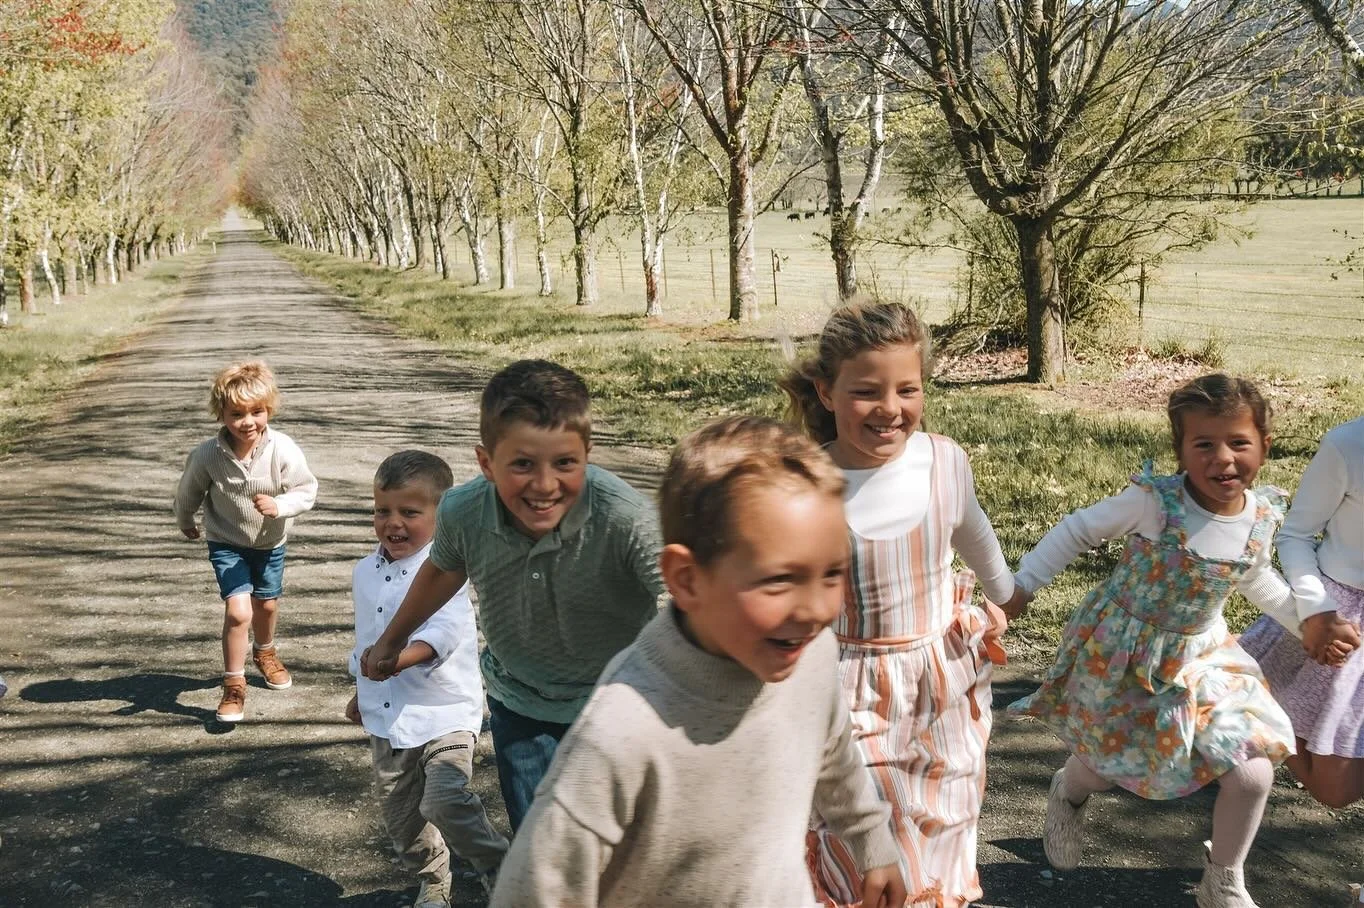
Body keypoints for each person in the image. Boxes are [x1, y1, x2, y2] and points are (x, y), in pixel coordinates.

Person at [490, 416, 907, 907]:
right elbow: (534, 890)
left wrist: (872, 843)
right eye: (778, 580)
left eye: (832, 573)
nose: (815, 608)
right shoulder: (621, 733)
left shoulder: (809, 652)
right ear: (687, 580)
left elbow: (831, 749)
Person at [1008, 373, 1300, 908]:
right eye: (1204, 444)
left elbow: (1255, 579)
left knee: (1254, 767)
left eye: (1239, 442)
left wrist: (1310, 624)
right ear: (1180, 450)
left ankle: (1223, 878)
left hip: (1202, 658)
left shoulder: (1260, 516)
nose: (1223, 458)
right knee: (1101, 769)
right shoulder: (1154, 504)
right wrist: (1023, 584)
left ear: (1265, 445)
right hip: (1124, 653)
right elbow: (1077, 530)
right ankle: (1069, 793)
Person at [783, 300, 1028, 908]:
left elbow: (976, 537)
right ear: (826, 390)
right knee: (869, 846)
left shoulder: (944, 460)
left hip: (942, 685)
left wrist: (1005, 598)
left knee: (941, 831)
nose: (890, 409)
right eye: (867, 391)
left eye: (907, 389)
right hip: (846, 691)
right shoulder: (809, 482)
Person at [362, 360, 664, 830]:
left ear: (588, 453)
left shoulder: (626, 519)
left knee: (619, 842)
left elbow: (687, 601)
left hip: (617, 706)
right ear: (486, 463)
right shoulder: (463, 511)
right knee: (538, 838)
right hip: (520, 703)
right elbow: (444, 568)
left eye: (565, 463)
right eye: (522, 464)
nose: (544, 485)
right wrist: (393, 638)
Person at [346, 450, 508, 908]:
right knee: (402, 821)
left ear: (441, 516)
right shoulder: (364, 572)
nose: (393, 522)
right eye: (382, 510)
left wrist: (396, 660)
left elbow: (445, 634)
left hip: (445, 712)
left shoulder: (443, 571)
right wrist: (363, 689)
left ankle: (497, 864)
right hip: (389, 717)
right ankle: (434, 877)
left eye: (410, 512)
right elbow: (368, 638)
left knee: (444, 797)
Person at [174, 360, 317, 724]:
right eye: (237, 414)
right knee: (240, 611)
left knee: (266, 606)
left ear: (269, 410)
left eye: (257, 412)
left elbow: (306, 489)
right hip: (227, 542)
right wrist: (185, 519)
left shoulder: (282, 448)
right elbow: (188, 490)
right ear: (220, 414)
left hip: (269, 543)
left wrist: (280, 505)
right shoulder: (208, 454)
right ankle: (234, 684)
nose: (248, 422)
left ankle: (265, 652)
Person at [1240, 414, 1364, 810]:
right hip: (1339, 618)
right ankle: (1247, 707)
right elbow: (1295, 535)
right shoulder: (1348, 444)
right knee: (1336, 790)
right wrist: (1315, 609)